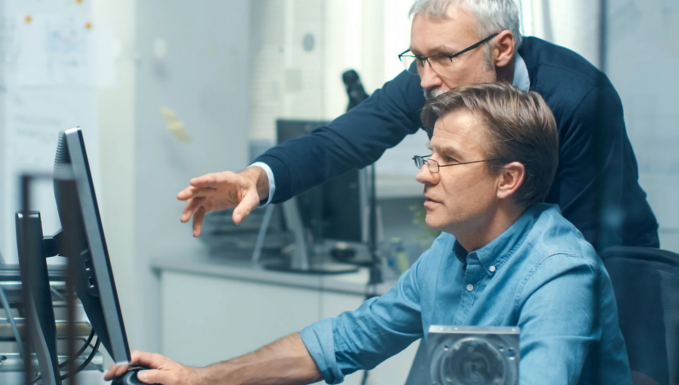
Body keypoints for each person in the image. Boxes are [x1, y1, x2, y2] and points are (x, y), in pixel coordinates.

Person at [109, 83, 642, 385]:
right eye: (428, 156)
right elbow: (342, 342)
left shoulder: (559, 271)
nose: (422, 174)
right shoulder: (448, 255)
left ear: (509, 179)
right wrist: (197, 379)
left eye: (448, 161)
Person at [177, 0, 659, 252]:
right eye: (418, 58)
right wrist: (258, 179)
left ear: (503, 48)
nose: (426, 79)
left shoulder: (578, 98)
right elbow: (341, 141)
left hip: (612, 265)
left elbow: (580, 239)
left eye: (444, 57)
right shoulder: (434, 78)